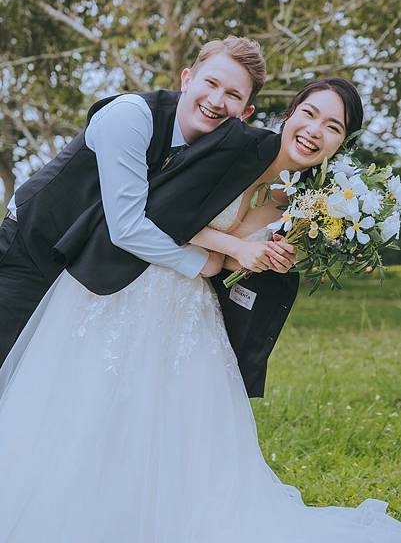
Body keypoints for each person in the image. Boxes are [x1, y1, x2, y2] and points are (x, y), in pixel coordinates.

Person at [0, 78, 400, 542]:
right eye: (309, 114)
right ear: (290, 113)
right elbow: (159, 210)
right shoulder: (235, 143)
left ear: (342, 142)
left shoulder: (307, 207)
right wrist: (231, 248)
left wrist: (255, 260)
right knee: (86, 406)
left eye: (333, 126)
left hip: (194, 310)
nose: (315, 131)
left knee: (182, 437)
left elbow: (231, 267)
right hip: (132, 282)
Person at [0, 35, 295, 370]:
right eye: (211, 83)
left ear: (246, 112)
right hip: (32, 247)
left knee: (39, 374)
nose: (216, 100)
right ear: (187, 79)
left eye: (233, 95)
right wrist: (202, 262)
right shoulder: (131, 116)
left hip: (81, 269)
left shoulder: (220, 152)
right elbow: (126, 227)